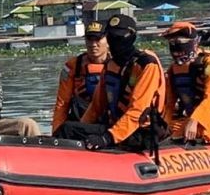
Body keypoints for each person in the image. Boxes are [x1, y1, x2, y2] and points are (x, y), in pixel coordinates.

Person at [55, 14, 166, 151]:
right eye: (112, 37)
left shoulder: (146, 65)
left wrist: (107, 138)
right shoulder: (110, 65)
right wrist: (81, 130)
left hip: (141, 132)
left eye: (119, 38)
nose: (115, 42)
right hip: (114, 127)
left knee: (69, 130)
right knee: (68, 129)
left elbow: (137, 111)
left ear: (131, 36)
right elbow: (96, 107)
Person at [161, 21, 210, 143]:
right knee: (163, 130)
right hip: (188, 118)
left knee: (198, 130)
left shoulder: (209, 64)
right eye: (172, 43)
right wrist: (163, 126)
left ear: (193, 42)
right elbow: (169, 103)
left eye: (179, 42)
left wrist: (195, 120)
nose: (175, 46)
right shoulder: (173, 70)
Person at [50, 20, 109, 136]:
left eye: (97, 39)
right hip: (80, 120)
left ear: (108, 40)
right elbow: (62, 103)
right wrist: (56, 133)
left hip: (108, 121)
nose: (93, 44)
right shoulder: (72, 66)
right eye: (89, 39)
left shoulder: (118, 65)